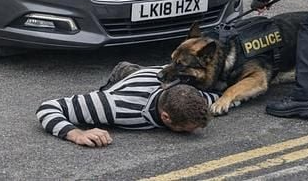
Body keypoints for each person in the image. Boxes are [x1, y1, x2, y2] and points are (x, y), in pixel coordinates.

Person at [36, 63, 219, 147]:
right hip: (125, 76)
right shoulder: (113, 107)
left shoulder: (196, 95)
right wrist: (77, 134)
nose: (192, 132)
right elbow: (48, 108)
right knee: (125, 69)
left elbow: (220, 97)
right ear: (166, 117)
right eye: (186, 130)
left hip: (156, 73)